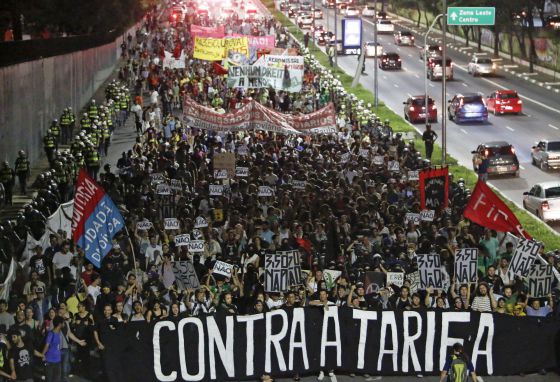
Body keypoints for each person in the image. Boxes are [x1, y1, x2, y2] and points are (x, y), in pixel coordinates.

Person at [41, 316, 65, 382]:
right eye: (63, 323)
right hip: (50, 360)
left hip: (58, 360)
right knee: (49, 379)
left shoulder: (59, 333)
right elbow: (46, 345)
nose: (64, 324)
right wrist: (42, 355)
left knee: (57, 379)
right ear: (60, 324)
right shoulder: (51, 333)